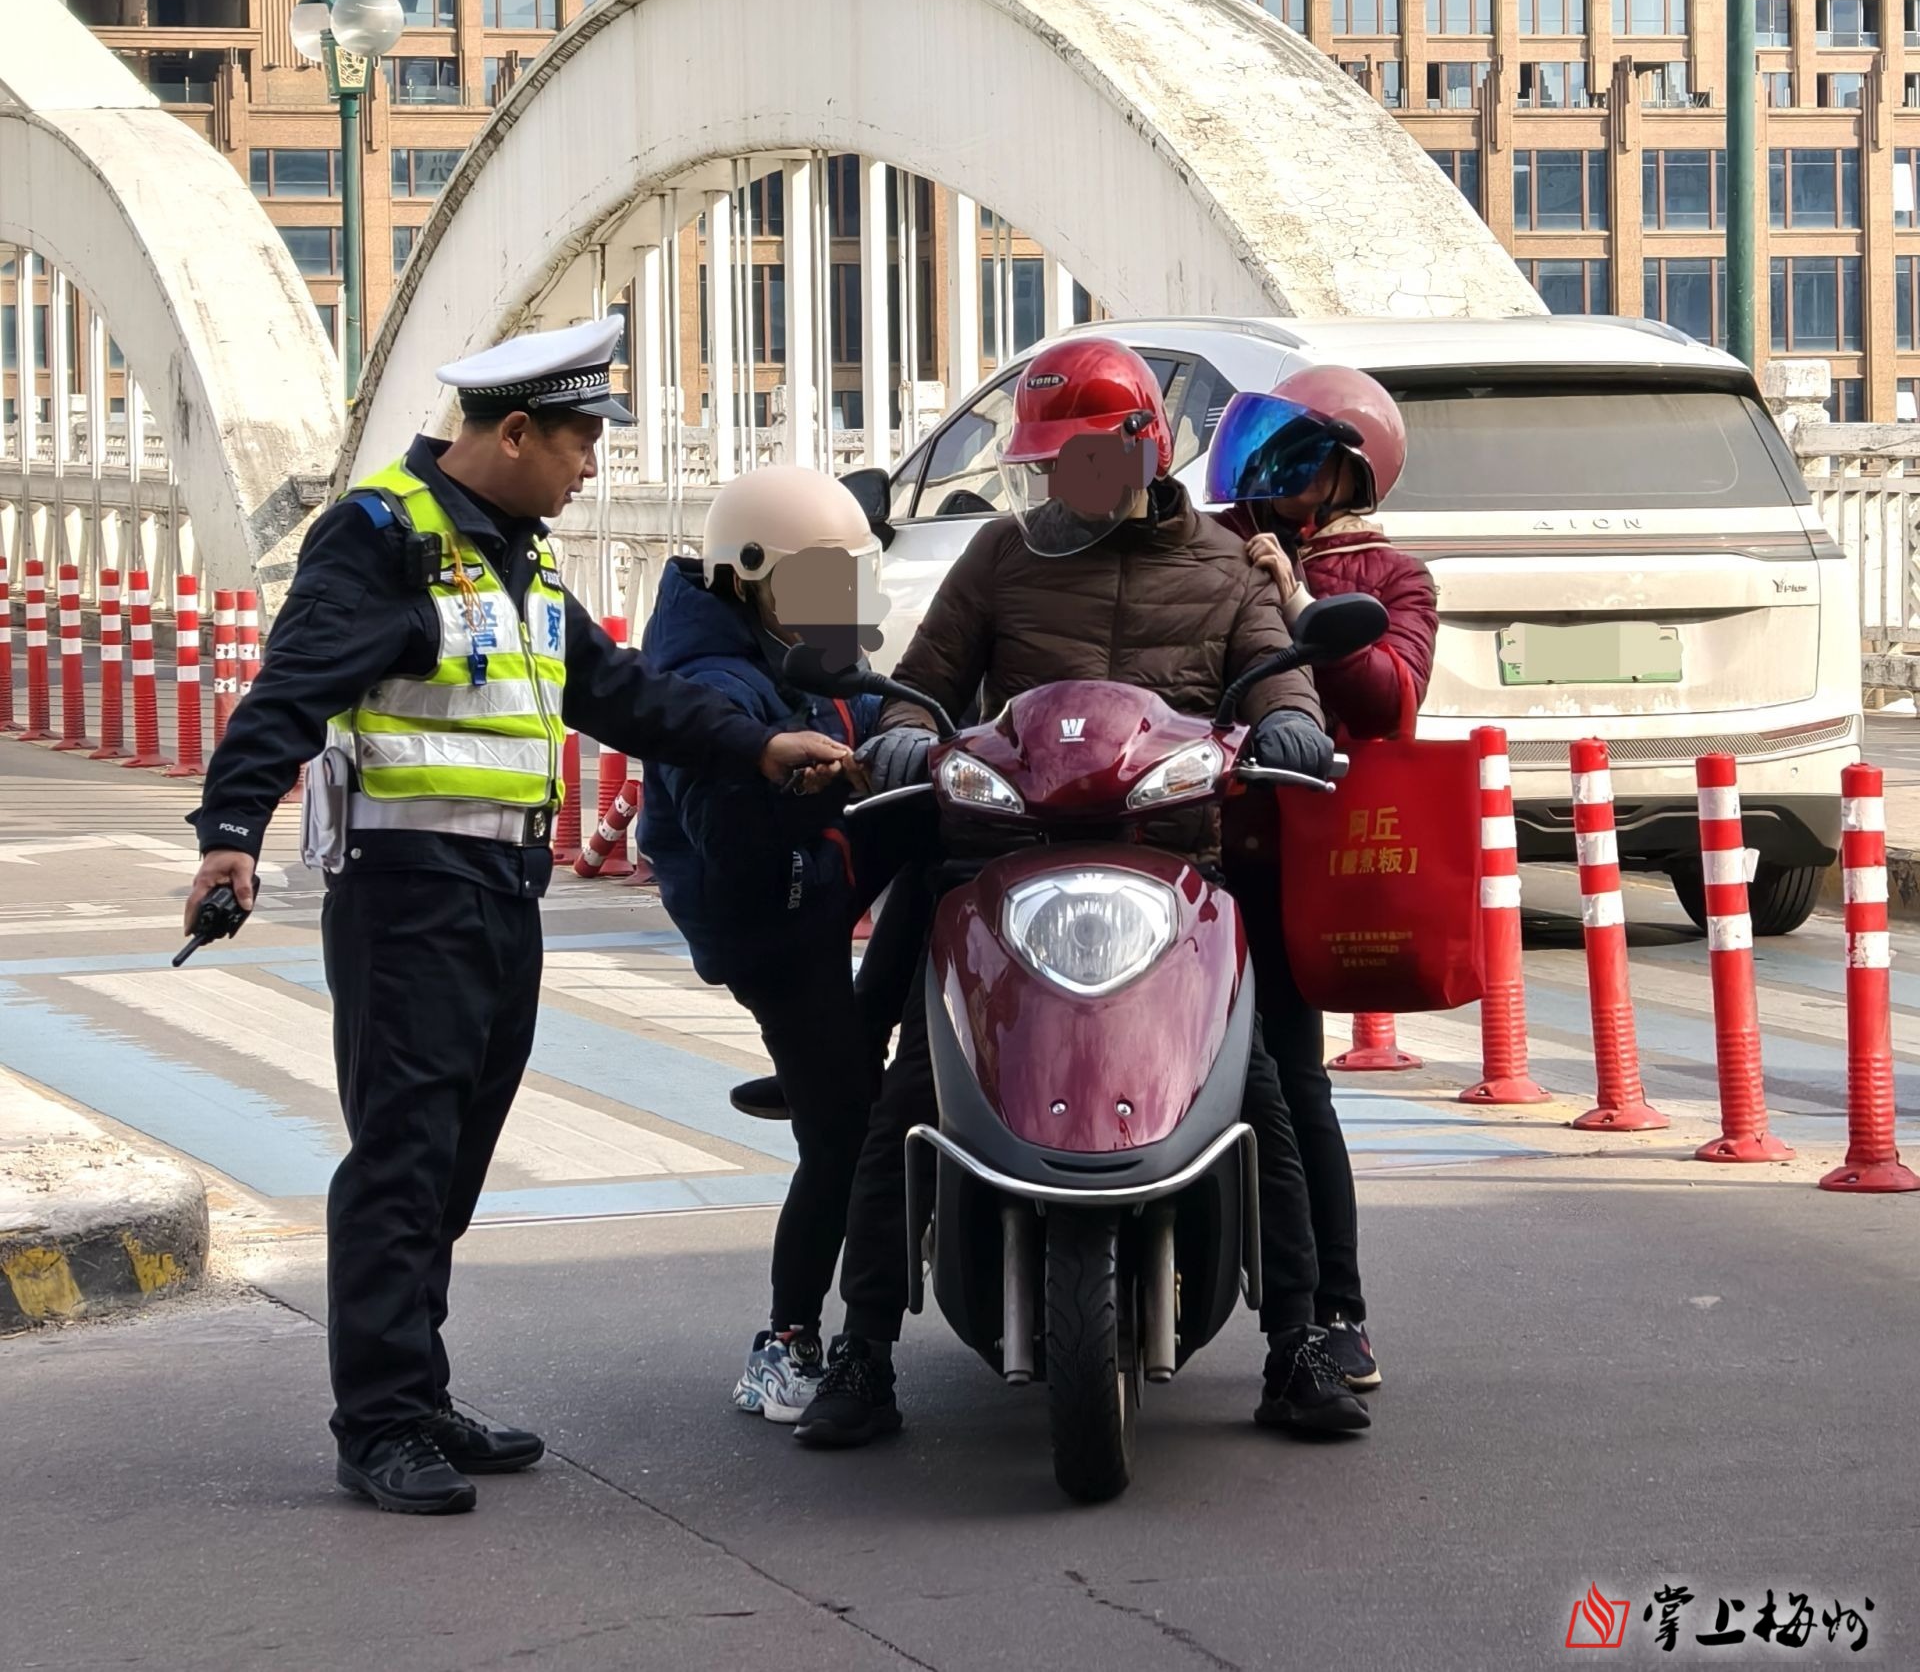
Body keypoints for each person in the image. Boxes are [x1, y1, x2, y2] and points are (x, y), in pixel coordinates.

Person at [183, 317, 850, 1518]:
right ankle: (378, 1423)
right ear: (513, 431)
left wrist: (759, 746)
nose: (592, 463)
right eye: (581, 439)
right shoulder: (386, 538)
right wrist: (230, 831)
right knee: (402, 1158)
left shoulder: (523, 561)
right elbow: (291, 685)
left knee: (454, 1157)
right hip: (406, 894)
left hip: (502, 894)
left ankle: (417, 1391)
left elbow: (627, 695)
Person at [793, 334, 1372, 1452]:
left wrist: (1291, 719)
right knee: (910, 1090)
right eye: (1049, 462)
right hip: (1002, 859)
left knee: (1261, 1095)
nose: (1064, 481)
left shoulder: (1223, 565)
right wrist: (908, 738)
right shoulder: (1002, 557)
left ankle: (1297, 1342)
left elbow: (1277, 667)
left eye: (1083, 457)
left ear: (1144, 446)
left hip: (1176, 865)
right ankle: (860, 1347)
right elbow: (924, 682)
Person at [638, 465, 931, 1423]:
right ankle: (788, 1337)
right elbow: (729, 833)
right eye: (821, 584)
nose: (841, 604)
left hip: (820, 857)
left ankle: (856, 1037)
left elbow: (862, 694)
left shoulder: (792, 632)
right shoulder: (710, 679)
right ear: (752, 576)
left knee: (950, 834)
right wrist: (787, 784)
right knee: (843, 1133)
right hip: (767, 909)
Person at [1209, 362, 1438, 1394]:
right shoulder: (1207, 545)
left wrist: (1295, 594)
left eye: (1300, 461)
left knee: (1295, 1081)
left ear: (1349, 476)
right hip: (1190, 841)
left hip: (1296, 856)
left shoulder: (1392, 577)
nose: (1275, 478)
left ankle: (1334, 1311)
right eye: (1270, 452)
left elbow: (1389, 696)